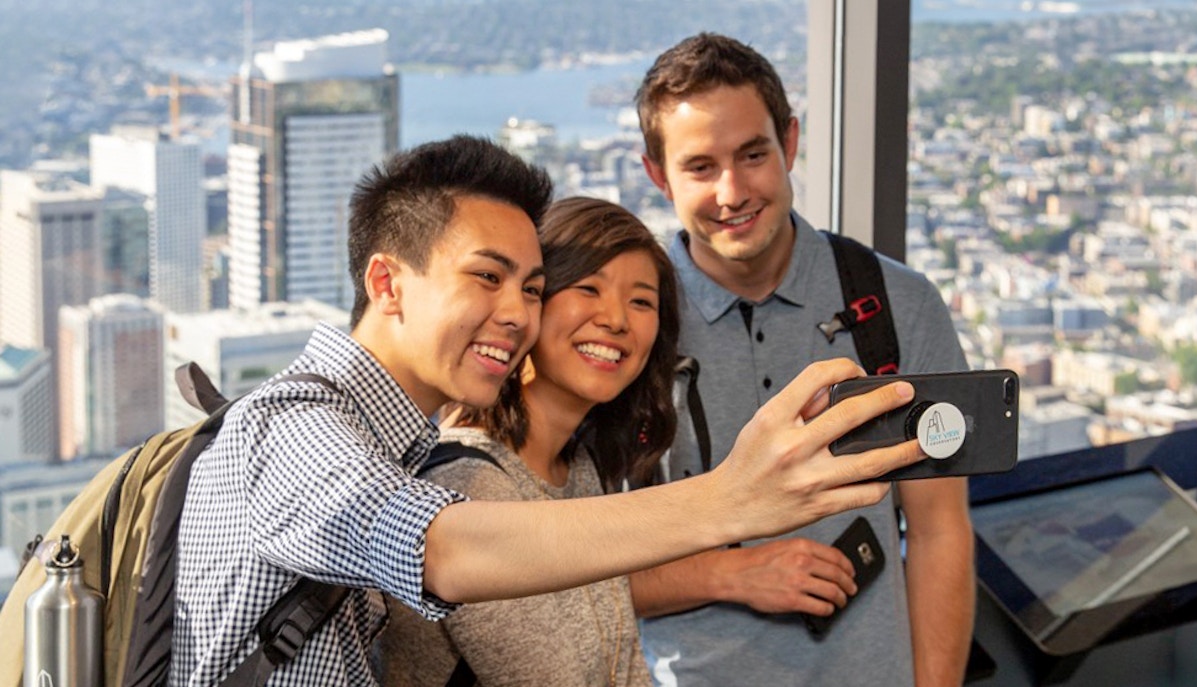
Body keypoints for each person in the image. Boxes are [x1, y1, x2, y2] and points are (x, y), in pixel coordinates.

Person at [171, 134, 926, 686]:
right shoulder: (289, 425)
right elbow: (441, 550)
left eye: (531, 287)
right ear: (388, 283)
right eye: (486, 277)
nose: (514, 313)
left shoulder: (405, 444)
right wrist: (730, 502)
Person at [630, 34, 975, 687]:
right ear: (657, 175)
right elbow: (575, 572)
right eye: (700, 167)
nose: (732, 192)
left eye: (753, 155)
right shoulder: (630, 326)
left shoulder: (898, 304)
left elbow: (939, 532)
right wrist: (732, 572)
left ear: (790, 144)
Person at [378, 197, 677, 686]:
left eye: (641, 301)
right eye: (588, 288)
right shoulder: (468, 485)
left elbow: (623, 667)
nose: (617, 319)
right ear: (532, 304)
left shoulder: (576, 467)